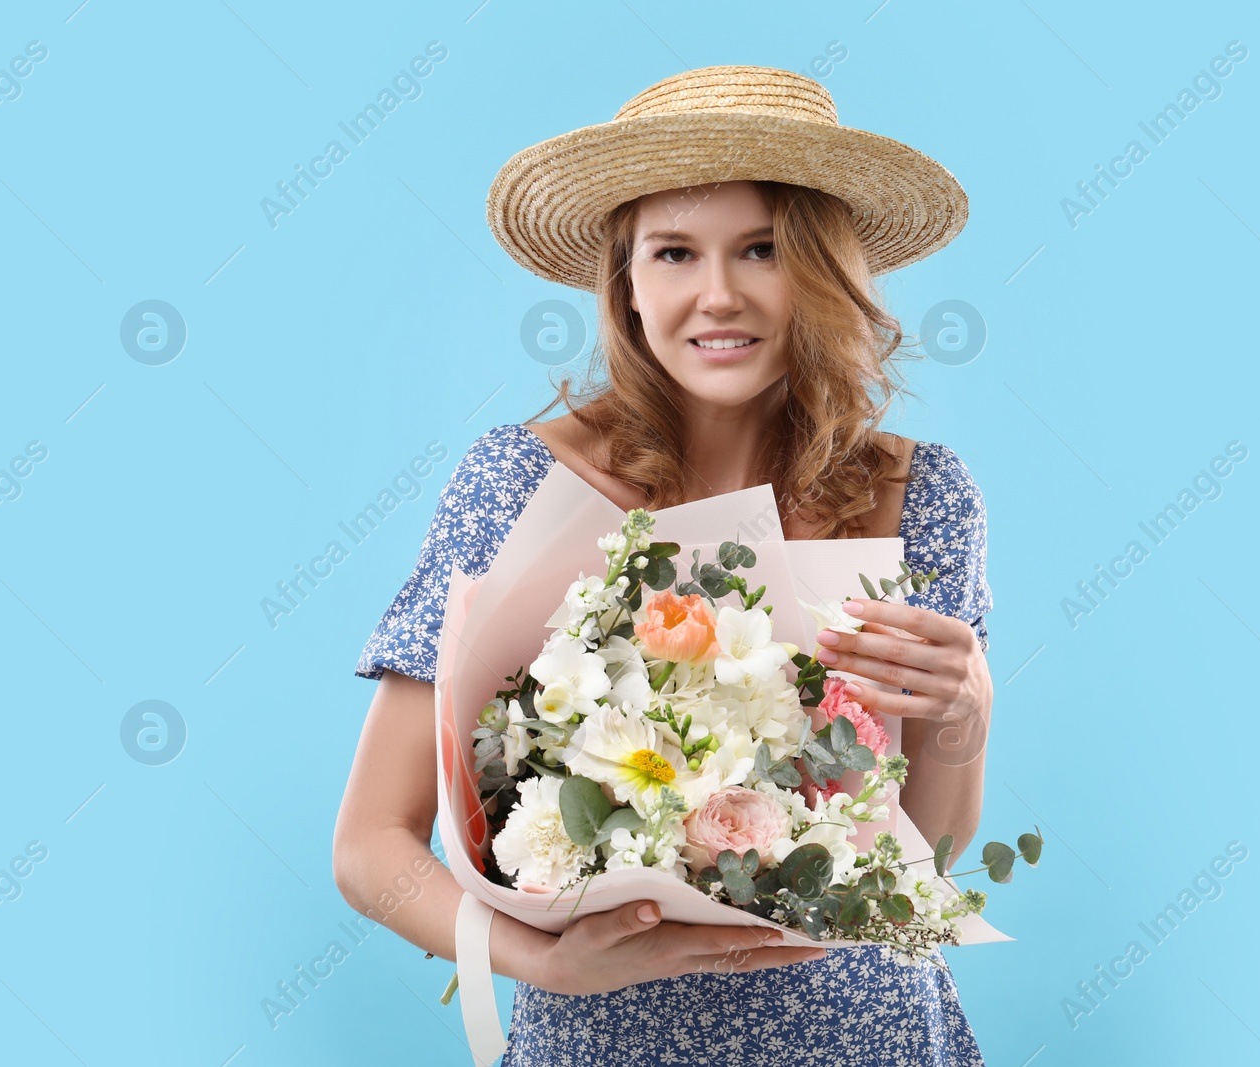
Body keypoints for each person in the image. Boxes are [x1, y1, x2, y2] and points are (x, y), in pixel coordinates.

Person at [333, 65, 996, 1065]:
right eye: (675, 251)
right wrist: (545, 963)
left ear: (823, 272)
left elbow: (923, 855)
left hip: (873, 1036)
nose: (717, 294)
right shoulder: (518, 483)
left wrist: (966, 713)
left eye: (763, 249)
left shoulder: (921, 494)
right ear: (626, 282)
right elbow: (370, 844)